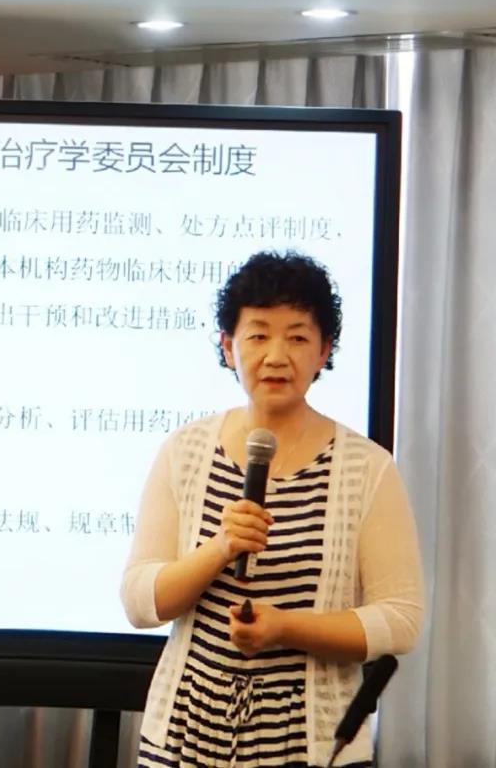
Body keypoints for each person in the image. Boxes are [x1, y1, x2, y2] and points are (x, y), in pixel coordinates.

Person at [120, 251, 424, 768]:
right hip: (187, 733)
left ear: (325, 350)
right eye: (258, 335)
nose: (277, 356)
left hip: (310, 740)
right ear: (228, 346)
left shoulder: (366, 467)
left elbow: (400, 620)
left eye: (298, 338)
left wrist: (285, 627)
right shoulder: (186, 451)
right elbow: (139, 602)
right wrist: (220, 547)